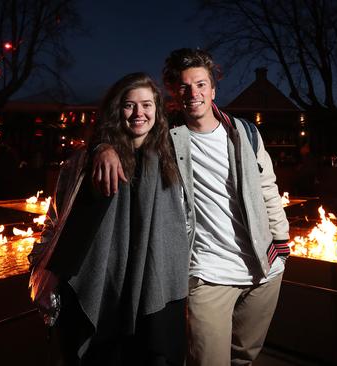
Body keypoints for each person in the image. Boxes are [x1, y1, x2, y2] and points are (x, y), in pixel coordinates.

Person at [92, 49, 290, 366]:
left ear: (213, 89)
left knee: (244, 358)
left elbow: (268, 188)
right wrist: (104, 147)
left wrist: (281, 245)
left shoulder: (246, 133)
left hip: (265, 268)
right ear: (173, 92)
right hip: (207, 274)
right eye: (184, 86)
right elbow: (124, 128)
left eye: (200, 84)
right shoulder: (165, 136)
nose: (193, 93)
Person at [29, 73, 189, 365]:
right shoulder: (87, 161)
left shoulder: (172, 158)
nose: (139, 113)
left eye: (147, 105)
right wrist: (100, 148)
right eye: (129, 105)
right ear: (117, 110)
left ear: (158, 109)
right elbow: (59, 220)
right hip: (103, 286)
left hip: (157, 283)